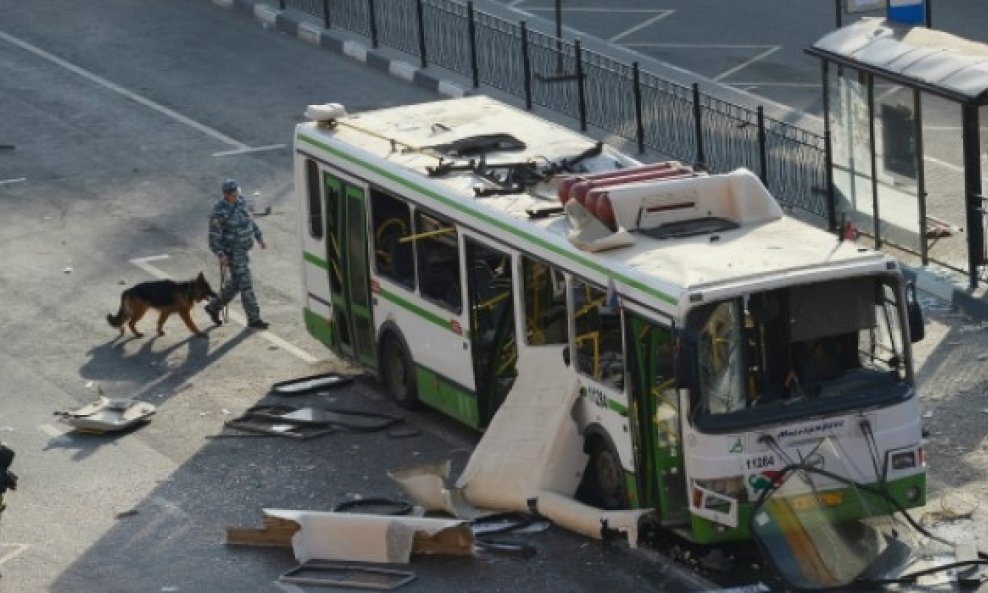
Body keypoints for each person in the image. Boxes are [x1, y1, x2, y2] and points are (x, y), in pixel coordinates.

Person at [204, 179, 269, 330]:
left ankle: (213, 307)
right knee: (246, 284)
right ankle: (254, 319)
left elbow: (250, 221)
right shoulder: (219, 211)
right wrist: (221, 255)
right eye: (233, 194)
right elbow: (213, 237)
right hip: (233, 252)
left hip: (243, 249)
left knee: (235, 284)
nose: (236, 196)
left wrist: (259, 238)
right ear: (226, 195)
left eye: (237, 193)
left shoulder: (241, 202)